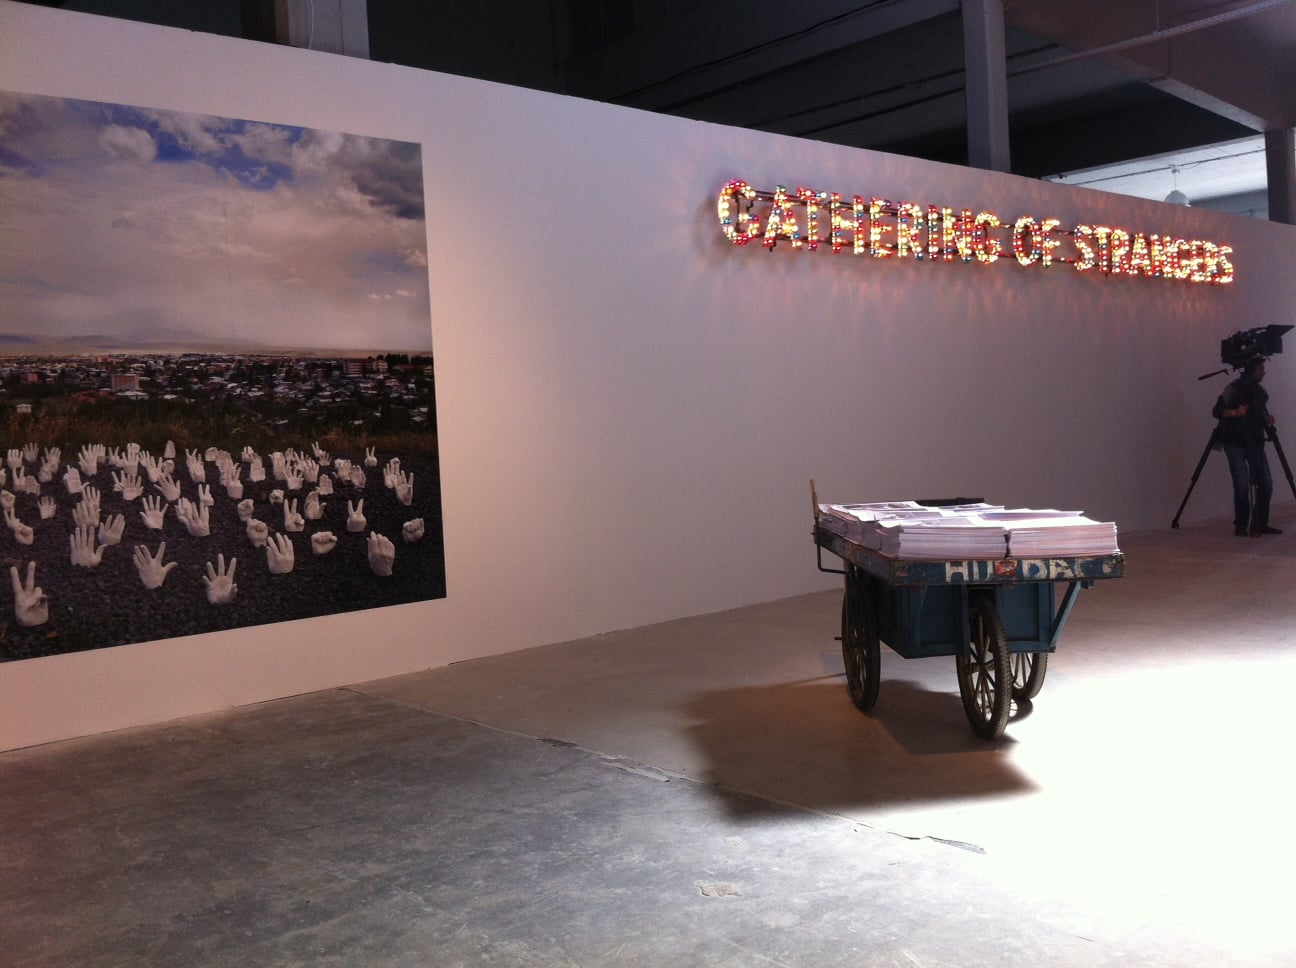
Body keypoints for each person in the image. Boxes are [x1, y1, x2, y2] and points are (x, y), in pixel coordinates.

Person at [1212, 359, 1280, 536]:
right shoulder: (1233, 389)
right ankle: (1241, 525)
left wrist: (1266, 419)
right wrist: (1236, 412)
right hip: (1234, 442)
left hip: (1255, 441)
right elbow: (1217, 411)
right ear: (1252, 371)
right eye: (1261, 369)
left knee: (1266, 482)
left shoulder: (1260, 392)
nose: (1264, 372)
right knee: (1242, 483)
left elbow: (1258, 414)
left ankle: (1260, 523)